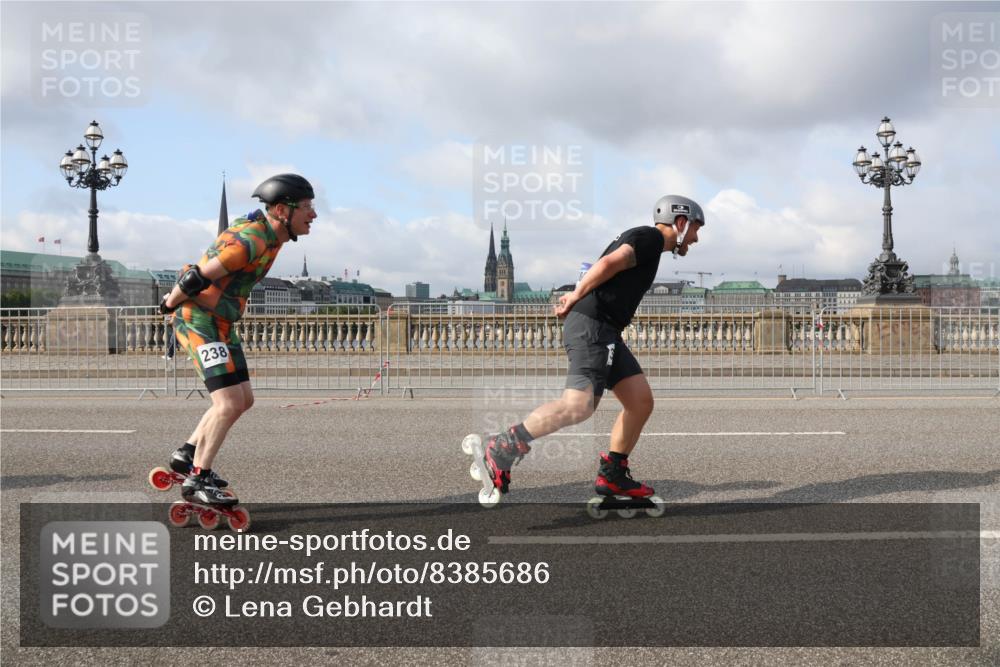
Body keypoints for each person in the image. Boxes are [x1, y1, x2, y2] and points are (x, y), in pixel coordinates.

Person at [479, 194, 705, 503]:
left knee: (640, 401)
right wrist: (575, 295)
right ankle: (504, 446)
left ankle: (613, 475)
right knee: (578, 406)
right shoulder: (651, 238)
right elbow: (610, 263)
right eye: (695, 228)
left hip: (606, 329)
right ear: (680, 222)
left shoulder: (648, 242)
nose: (695, 238)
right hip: (594, 325)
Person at [157, 174, 317, 507]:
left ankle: (186, 455)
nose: (313, 215)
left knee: (243, 399)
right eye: (306, 207)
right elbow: (198, 276)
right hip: (200, 321)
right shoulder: (253, 239)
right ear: (280, 210)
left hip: (221, 323)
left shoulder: (273, 236)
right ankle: (198, 479)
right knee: (228, 403)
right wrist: (169, 303)